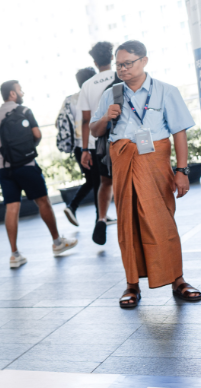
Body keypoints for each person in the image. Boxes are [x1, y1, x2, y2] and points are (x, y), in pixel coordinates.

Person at [90, 40, 201, 308]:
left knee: (163, 221)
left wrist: (181, 170)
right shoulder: (111, 94)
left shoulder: (166, 91)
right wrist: (105, 118)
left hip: (155, 163)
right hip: (123, 163)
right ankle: (132, 284)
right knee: (127, 223)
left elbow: (179, 133)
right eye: (119, 65)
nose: (122, 69)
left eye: (128, 63)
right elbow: (95, 130)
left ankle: (178, 280)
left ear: (144, 61)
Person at [0, 80, 78, 268]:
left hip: (5, 168)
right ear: (12, 94)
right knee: (43, 201)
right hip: (26, 165)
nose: (22, 93)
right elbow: (37, 135)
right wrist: (27, 150)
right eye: (20, 90)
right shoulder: (25, 111)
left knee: (12, 208)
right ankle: (57, 243)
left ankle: (14, 254)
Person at [72, 41, 119, 242]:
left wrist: (84, 149)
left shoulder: (88, 85)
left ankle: (101, 218)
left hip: (99, 140)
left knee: (105, 182)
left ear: (95, 62)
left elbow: (85, 120)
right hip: (123, 137)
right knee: (125, 179)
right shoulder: (121, 75)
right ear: (112, 58)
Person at [60, 67, 98, 226]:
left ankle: (97, 215)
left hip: (78, 147)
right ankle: (98, 216)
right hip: (92, 145)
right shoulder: (95, 96)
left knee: (93, 180)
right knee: (98, 181)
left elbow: (60, 123)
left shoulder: (69, 100)